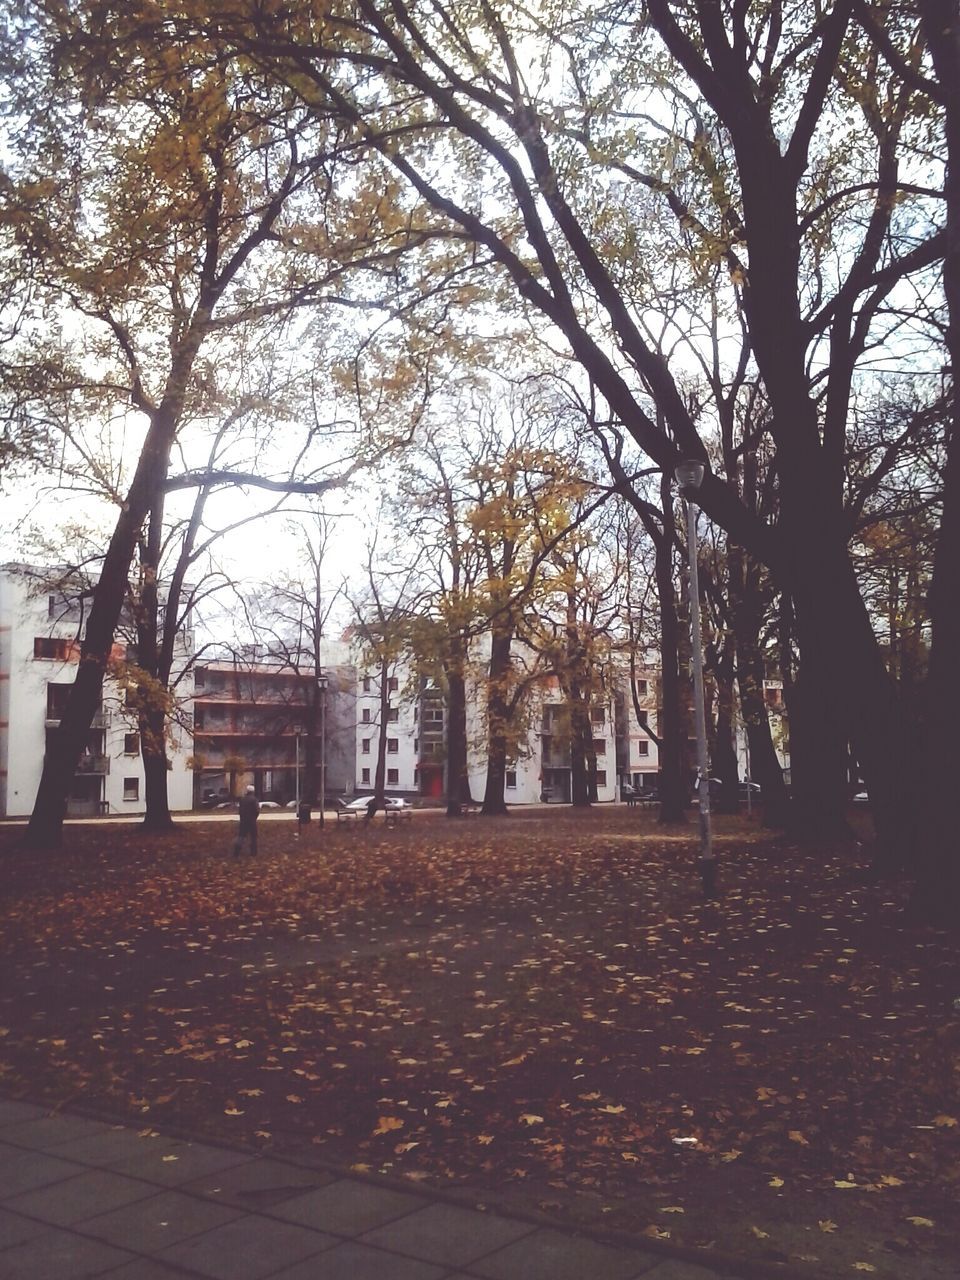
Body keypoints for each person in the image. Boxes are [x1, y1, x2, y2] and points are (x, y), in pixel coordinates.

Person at [234, 785, 260, 857]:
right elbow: (257, 810)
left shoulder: (242, 799)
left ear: (247, 791)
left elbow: (240, 811)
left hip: (243, 821)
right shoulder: (254, 799)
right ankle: (253, 852)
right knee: (253, 837)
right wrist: (254, 818)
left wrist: (242, 818)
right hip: (252, 821)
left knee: (241, 836)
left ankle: (236, 851)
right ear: (253, 791)